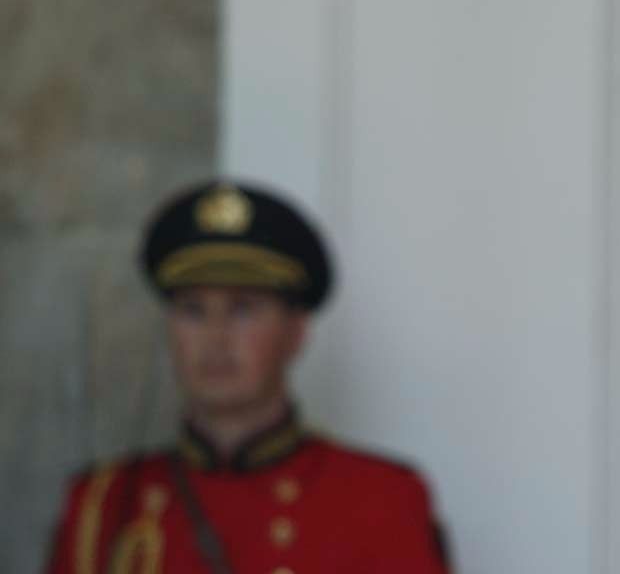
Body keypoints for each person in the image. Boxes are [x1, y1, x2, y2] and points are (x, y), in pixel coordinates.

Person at [46, 181, 450, 574]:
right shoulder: (104, 505)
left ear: (296, 331)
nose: (216, 338)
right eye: (193, 310)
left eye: (244, 309)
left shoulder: (380, 500)